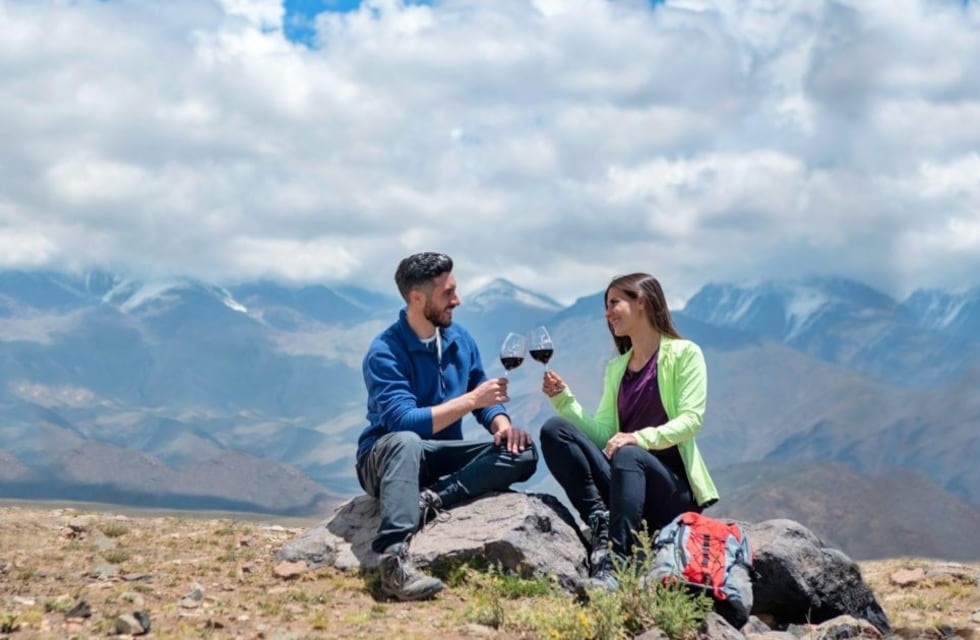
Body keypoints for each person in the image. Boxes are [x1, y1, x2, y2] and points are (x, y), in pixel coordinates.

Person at [356, 252, 538, 601]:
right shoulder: (385, 351)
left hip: (437, 457)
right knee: (406, 440)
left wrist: (501, 425)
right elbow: (403, 422)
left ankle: (432, 499)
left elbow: (484, 395)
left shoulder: (459, 339)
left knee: (523, 451)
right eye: (448, 293)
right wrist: (472, 400)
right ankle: (393, 563)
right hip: (386, 458)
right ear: (417, 298)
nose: (458, 300)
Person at [539, 273, 718, 589]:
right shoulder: (617, 368)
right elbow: (606, 432)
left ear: (642, 302)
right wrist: (564, 402)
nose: (607, 314)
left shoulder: (685, 354)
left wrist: (638, 438)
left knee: (628, 453)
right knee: (556, 430)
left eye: (614, 303)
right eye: (606, 306)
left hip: (672, 492)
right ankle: (601, 520)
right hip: (626, 483)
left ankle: (616, 567)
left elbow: (692, 420)